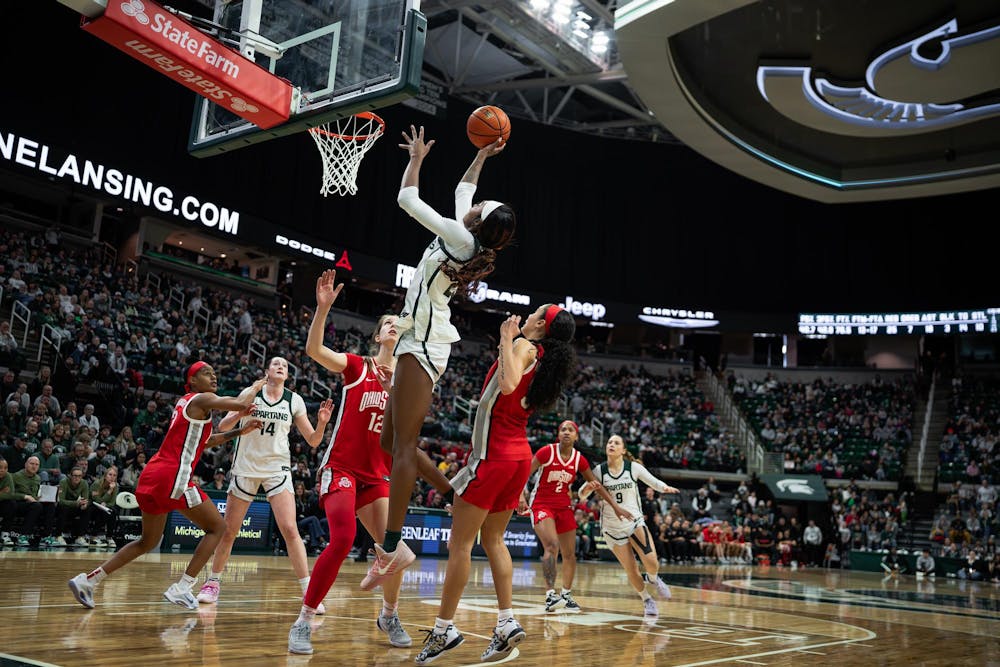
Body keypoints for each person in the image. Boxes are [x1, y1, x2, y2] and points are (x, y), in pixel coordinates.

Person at [365, 126, 516, 589]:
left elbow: (407, 200)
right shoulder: (468, 236)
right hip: (422, 336)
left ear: (476, 220)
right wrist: (483, 155)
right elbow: (464, 190)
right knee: (390, 445)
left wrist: (415, 160)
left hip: (424, 344)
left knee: (403, 447)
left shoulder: (458, 234)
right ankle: (453, 491)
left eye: (477, 208)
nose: (471, 203)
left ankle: (390, 549)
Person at [415, 305, 608, 664]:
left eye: (535, 313)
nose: (529, 315)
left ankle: (444, 630)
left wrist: (507, 338)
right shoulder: (545, 359)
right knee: (492, 539)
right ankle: (505, 622)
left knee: (459, 545)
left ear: (540, 326)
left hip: (494, 455)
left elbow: (507, 383)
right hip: (517, 456)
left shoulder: (526, 347)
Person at [289, 271, 422, 655]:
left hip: (377, 475)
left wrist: (394, 395)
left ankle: (389, 613)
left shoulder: (408, 383)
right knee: (344, 537)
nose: (394, 327)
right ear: (379, 336)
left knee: (394, 549)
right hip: (343, 467)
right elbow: (315, 350)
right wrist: (322, 309)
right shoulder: (356, 366)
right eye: (387, 324)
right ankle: (303, 621)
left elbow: (406, 437)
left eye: (400, 325)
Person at [67, 363, 265, 610]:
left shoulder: (189, 405)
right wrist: (256, 386)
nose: (213, 376)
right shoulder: (202, 398)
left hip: (153, 475)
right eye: (206, 373)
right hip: (173, 476)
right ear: (192, 381)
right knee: (218, 528)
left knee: (147, 542)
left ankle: (88, 580)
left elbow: (204, 442)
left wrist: (240, 432)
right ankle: (182, 587)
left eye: (215, 373)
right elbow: (238, 403)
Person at [194, 356, 333, 609]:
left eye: (285, 367)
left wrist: (322, 423)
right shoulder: (251, 392)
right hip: (246, 466)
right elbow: (223, 425)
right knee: (229, 531)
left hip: (276, 468)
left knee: (290, 529)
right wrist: (242, 413)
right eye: (276, 364)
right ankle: (213, 583)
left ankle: (309, 591)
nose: (281, 367)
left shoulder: (294, 400)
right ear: (267, 371)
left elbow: (313, 440)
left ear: (287, 376)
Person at [520, 419, 631, 613]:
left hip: (564, 507)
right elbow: (524, 474)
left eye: (570, 430)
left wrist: (616, 507)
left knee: (570, 554)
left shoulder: (579, 459)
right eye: (563, 429)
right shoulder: (547, 451)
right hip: (541, 505)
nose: (566, 432)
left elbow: (597, 484)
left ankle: (566, 595)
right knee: (552, 546)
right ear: (558, 434)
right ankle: (550, 596)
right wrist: (520, 495)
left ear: (576, 436)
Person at [579, 435, 680, 618]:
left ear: (623, 450)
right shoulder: (599, 471)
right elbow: (581, 495)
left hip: (634, 521)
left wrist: (665, 488)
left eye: (616, 443)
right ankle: (647, 599)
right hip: (612, 527)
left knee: (652, 562)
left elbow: (653, 482)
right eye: (609, 442)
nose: (612, 444)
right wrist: (586, 490)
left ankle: (653, 578)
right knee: (631, 569)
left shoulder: (632, 467)